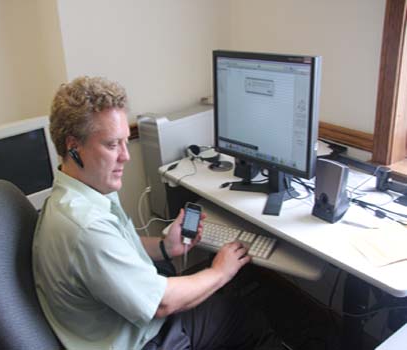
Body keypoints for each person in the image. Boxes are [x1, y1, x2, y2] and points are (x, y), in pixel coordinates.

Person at [32, 76, 284, 350]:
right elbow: (162, 303)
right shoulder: (85, 226)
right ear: (73, 146)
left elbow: (117, 248)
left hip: (114, 324)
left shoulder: (73, 195)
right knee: (240, 314)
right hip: (145, 341)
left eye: (126, 142)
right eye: (112, 145)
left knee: (217, 296)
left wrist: (165, 246)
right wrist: (220, 272)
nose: (126, 156)